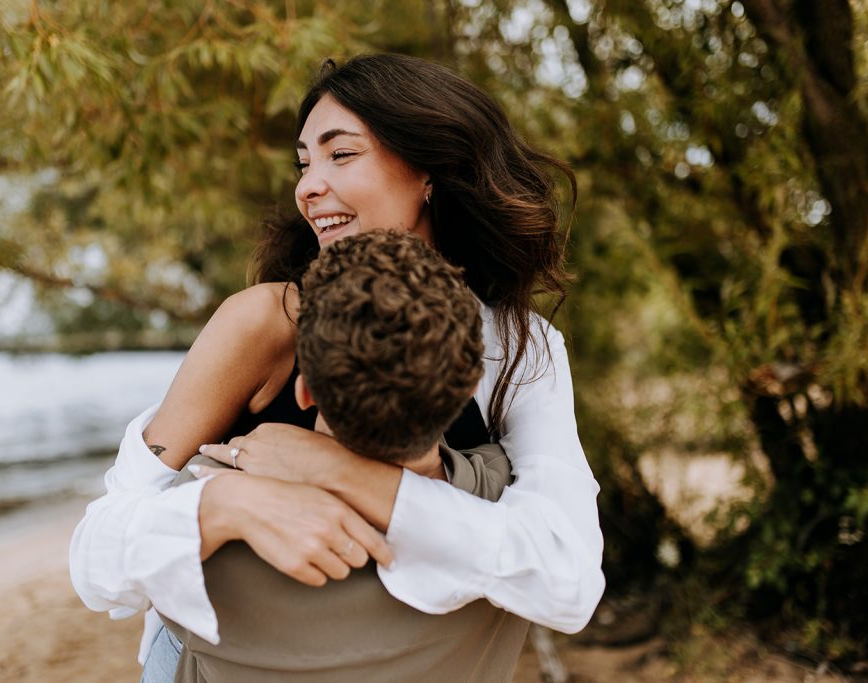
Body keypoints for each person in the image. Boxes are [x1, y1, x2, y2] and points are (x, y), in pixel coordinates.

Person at [70, 52, 605, 678]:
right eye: (304, 163)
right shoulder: (265, 323)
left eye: (340, 154)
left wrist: (335, 470)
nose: (307, 186)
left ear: (429, 169)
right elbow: (99, 555)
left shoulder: (519, 346)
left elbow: (567, 582)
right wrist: (228, 505)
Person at [162, 230, 523, 681]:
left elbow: (143, 575)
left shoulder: (197, 522)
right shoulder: (506, 498)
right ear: (470, 389)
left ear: (304, 390)